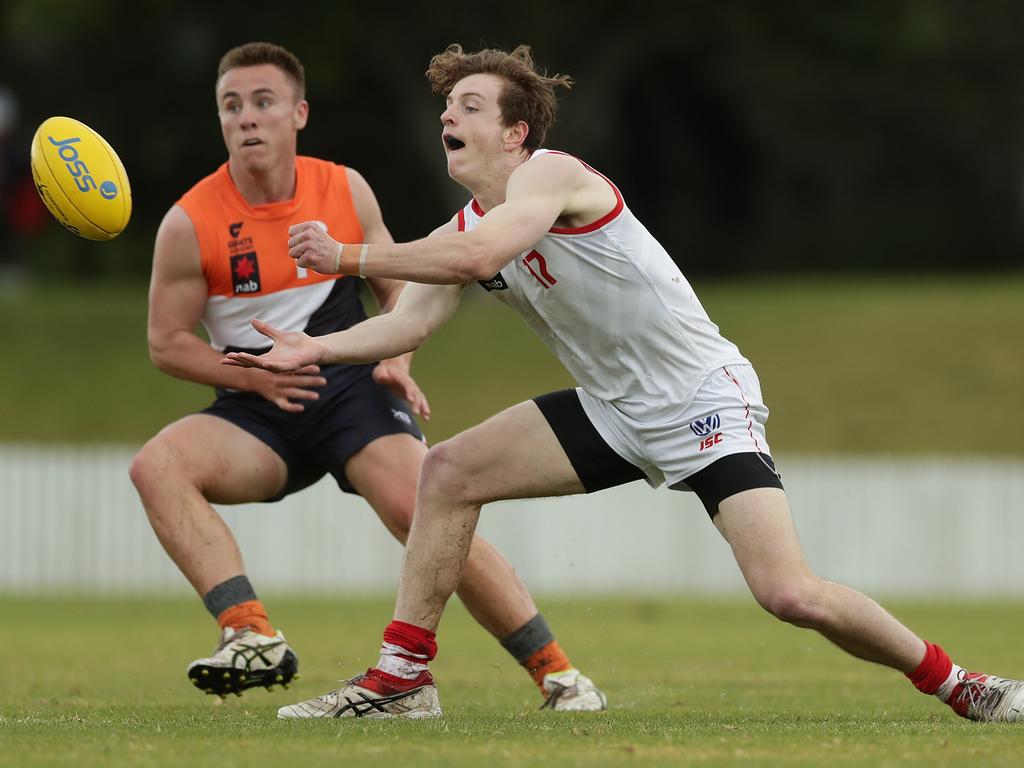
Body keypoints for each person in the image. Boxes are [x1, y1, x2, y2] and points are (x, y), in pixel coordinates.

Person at [224, 42, 1024, 724]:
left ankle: (962, 685)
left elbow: (474, 262)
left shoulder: (553, 177)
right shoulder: (462, 226)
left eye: (470, 107)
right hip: (614, 411)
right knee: (449, 472)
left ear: (516, 131)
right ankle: (401, 680)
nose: (449, 118)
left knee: (789, 593)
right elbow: (408, 324)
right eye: (448, 108)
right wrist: (312, 349)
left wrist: (351, 257)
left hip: (702, 398)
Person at [128, 41, 608, 713]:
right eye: (230, 106)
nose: (246, 119)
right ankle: (249, 634)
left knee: (427, 509)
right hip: (256, 407)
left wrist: (394, 360)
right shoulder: (189, 221)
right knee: (157, 466)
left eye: (262, 103)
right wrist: (256, 382)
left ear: (298, 112)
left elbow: (397, 292)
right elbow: (166, 343)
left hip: (348, 390)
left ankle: (558, 674)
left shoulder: (342, 188)